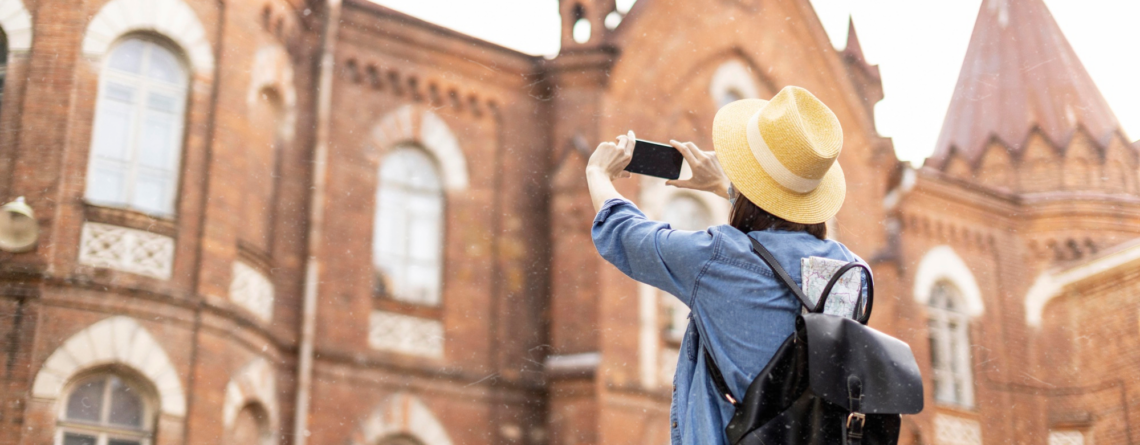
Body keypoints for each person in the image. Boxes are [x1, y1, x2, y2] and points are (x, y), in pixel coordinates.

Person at [585, 86, 866, 445]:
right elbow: (783, 242)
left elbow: (623, 233)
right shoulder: (849, 270)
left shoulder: (719, 258)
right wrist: (729, 188)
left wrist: (598, 173)